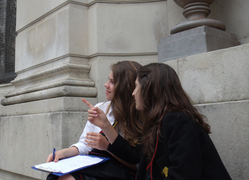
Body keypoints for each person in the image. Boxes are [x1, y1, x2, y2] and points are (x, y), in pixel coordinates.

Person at [94, 63, 231, 180]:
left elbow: (183, 174)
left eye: (136, 87)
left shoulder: (177, 120)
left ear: (149, 90)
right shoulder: (160, 120)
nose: (133, 93)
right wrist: (106, 126)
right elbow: (136, 155)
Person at [46, 61, 143, 180]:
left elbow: (137, 164)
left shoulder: (141, 117)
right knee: (55, 176)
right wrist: (64, 153)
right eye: (108, 80)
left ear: (125, 86)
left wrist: (107, 146)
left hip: (120, 172)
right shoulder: (101, 108)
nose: (105, 85)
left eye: (112, 82)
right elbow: (85, 144)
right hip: (97, 166)